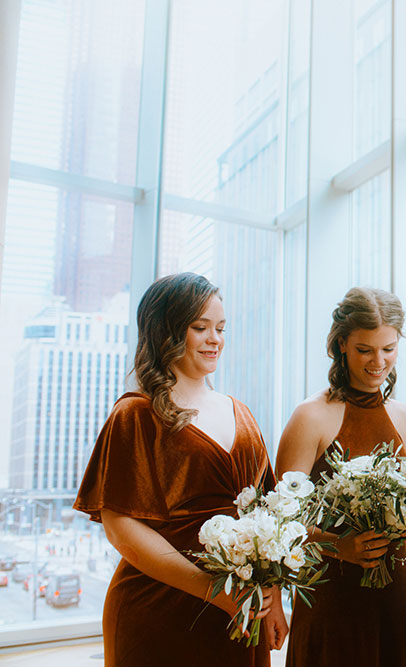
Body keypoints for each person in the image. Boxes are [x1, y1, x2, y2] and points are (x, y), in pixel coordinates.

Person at [74, 273, 283, 666]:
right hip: (159, 610)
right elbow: (120, 526)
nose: (215, 339)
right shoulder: (135, 413)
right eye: (200, 327)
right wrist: (213, 591)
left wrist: (272, 601)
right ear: (166, 333)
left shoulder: (243, 413)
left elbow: (269, 519)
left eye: (220, 328)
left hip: (240, 608)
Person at [277, 287, 406, 667]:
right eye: (365, 350)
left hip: (394, 600)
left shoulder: (405, 418)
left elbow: (403, 524)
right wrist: (338, 547)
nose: (379, 361)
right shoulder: (310, 416)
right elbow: (280, 525)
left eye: (388, 349)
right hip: (331, 601)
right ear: (342, 344)